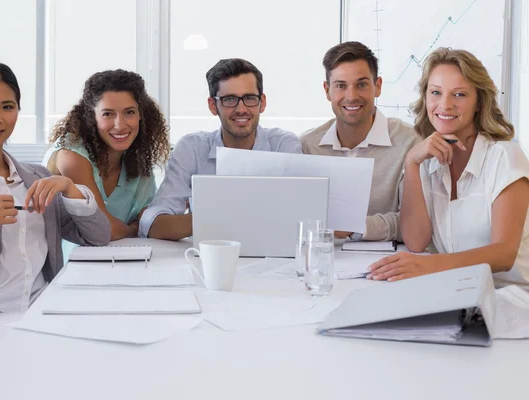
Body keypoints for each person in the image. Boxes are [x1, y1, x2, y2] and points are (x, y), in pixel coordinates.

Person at [0, 60, 110, 375]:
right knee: (43, 360)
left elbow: (97, 237)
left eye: (7, 106)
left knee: (103, 349)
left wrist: (69, 187)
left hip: (43, 310)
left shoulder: (36, 176)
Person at [367, 48, 529, 288]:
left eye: (460, 94)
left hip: (510, 301)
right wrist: (412, 163)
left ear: (478, 103)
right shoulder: (427, 161)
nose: (445, 105)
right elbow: (416, 241)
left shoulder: (505, 157)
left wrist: (430, 266)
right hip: (458, 294)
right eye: (436, 92)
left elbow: (504, 254)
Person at [139, 58, 302, 240]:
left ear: (262, 102)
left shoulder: (284, 145)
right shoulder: (191, 148)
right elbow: (153, 224)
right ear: (212, 105)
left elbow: (303, 216)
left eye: (249, 98)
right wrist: (222, 217)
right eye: (229, 100)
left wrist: (225, 216)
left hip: (273, 257)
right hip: (210, 257)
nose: (241, 109)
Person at [301, 41, 420, 241]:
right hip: (324, 259)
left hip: (387, 263)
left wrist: (353, 227)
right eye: (341, 86)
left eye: (362, 84)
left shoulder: (410, 142)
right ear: (327, 90)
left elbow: (414, 224)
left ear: (378, 86)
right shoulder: (307, 145)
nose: (352, 96)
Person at [44, 70, 170, 243]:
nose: (120, 125)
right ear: (91, 117)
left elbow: (149, 217)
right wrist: (135, 228)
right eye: (108, 114)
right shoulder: (70, 156)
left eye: (129, 112)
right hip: (73, 266)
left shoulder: (137, 159)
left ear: (142, 115)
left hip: (123, 260)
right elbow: (105, 230)